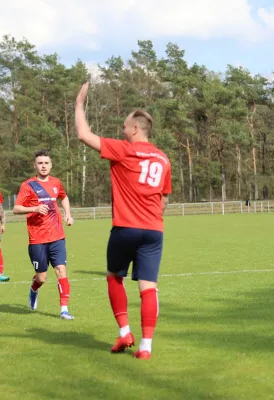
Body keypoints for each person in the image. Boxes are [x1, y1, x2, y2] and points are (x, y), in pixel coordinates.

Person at [74, 82, 172, 360]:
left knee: (115, 277)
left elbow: (83, 134)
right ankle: (145, 347)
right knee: (148, 287)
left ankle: (124, 331)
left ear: (136, 129)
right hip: (154, 230)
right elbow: (164, 199)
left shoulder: (124, 150)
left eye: (125, 126)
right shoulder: (163, 159)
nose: (122, 130)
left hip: (126, 228)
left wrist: (79, 105)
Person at [12, 149, 75, 320]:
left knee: (61, 270)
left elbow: (64, 197)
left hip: (57, 236)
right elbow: (16, 208)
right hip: (37, 239)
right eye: (40, 163)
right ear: (35, 165)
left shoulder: (56, 182)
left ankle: (64, 310)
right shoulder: (28, 185)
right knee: (42, 277)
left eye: (46, 163)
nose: (44, 166)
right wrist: (34, 208)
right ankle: (33, 289)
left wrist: (68, 214)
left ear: (51, 164)